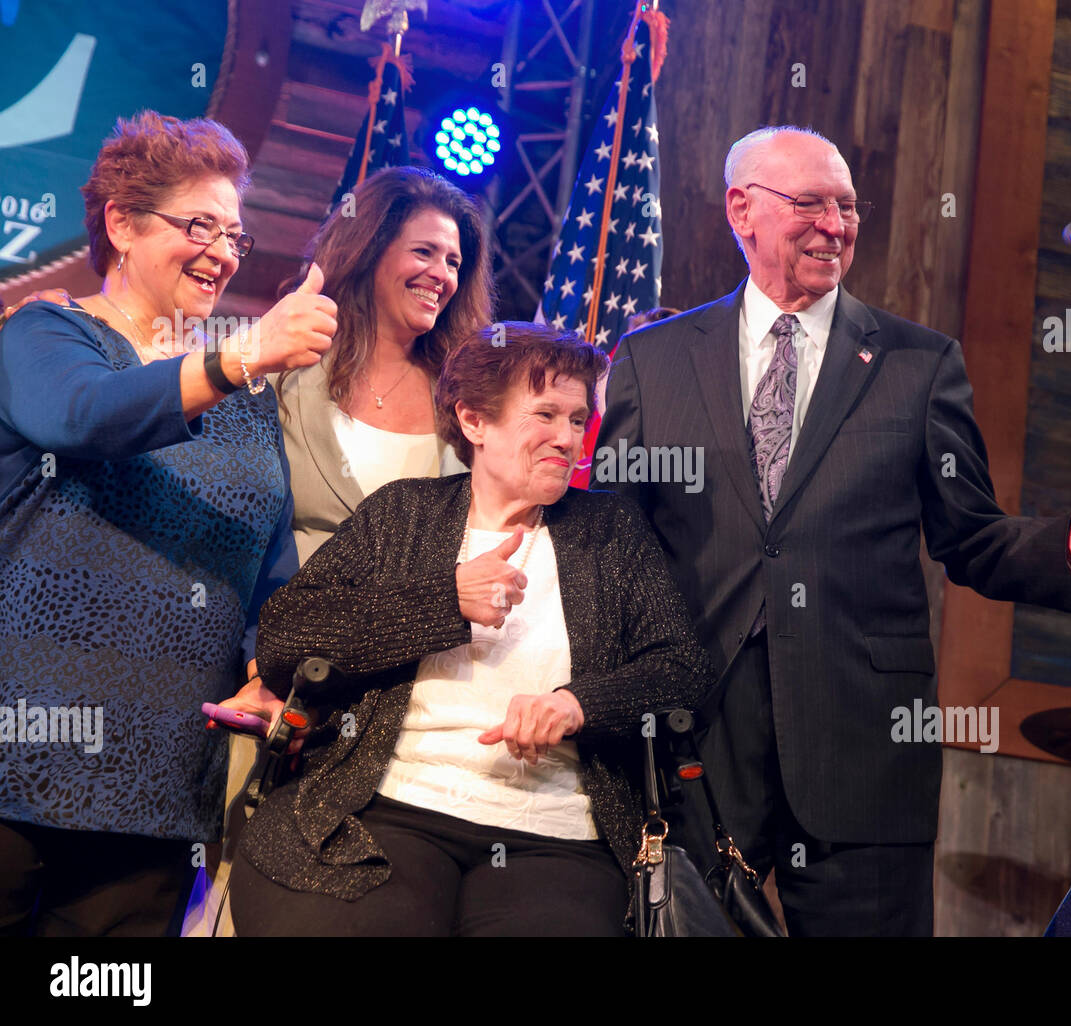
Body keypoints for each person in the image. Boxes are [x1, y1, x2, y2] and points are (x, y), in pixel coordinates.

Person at [595, 125, 1071, 936]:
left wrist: (1067, 547)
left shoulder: (918, 366)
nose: (835, 225)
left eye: (847, 207)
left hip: (864, 740)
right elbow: (614, 542)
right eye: (809, 204)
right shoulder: (653, 360)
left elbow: (973, 537)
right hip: (694, 740)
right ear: (742, 210)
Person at [227, 322, 714, 936]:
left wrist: (578, 704)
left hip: (555, 834)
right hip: (387, 805)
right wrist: (445, 601)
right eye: (545, 415)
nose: (567, 437)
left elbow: (679, 670)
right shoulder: (403, 513)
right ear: (475, 421)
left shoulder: (610, 530)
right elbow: (285, 638)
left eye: (576, 418)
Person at [0, 111, 336, 936]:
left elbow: (271, 564)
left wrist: (271, 666)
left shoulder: (244, 402)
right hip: (15, 762)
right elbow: (83, 417)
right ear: (121, 223)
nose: (223, 251)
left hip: (157, 782)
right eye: (200, 225)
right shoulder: (46, 335)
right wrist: (243, 354)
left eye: (236, 235)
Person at [272, 166, 494, 565]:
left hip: (421, 622)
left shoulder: (470, 399)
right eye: (423, 252)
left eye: (454, 263)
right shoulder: (283, 371)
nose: (441, 274)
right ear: (369, 251)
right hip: (286, 616)